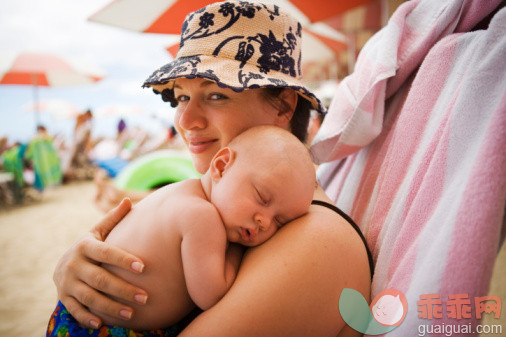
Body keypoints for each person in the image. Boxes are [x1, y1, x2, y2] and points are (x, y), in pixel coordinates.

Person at [52, 2, 373, 336]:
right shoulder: (245, 210)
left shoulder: (318, 244)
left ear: (284, 104)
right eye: (180, 98)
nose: (186, 121)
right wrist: (77, 266)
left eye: (217, 95)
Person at [48, 126, 316, 335]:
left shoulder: (181, 191)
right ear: (222, 166)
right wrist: (235, 252)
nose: (264, 222)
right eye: (262, 198)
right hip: (105, 329)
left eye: (280, 221)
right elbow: (212, 296)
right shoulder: (202, 216)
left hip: (76, 316)